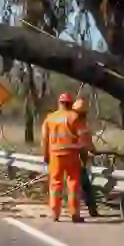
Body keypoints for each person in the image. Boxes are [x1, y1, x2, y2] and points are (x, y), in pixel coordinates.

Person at [41, 92, 87, 223]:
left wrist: (45, 155)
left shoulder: (50, 118)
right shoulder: (75, 117)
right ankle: (74, 213)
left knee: (56, 183)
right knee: (73, 184)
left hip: (55, 156)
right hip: (72, 155)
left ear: (59, 103)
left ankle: (55, 213)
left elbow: (44, 139)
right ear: (71, 104)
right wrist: (84, 156)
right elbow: (82, 139)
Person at [72, 98, 99, 218]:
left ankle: (76, 208)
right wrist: (94, 151)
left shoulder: (71, 125)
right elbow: (89, 145)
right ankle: (91, 208)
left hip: (69, 158)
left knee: (76, 185)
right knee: (85, 185)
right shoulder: (83, 127)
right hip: (78, 159)